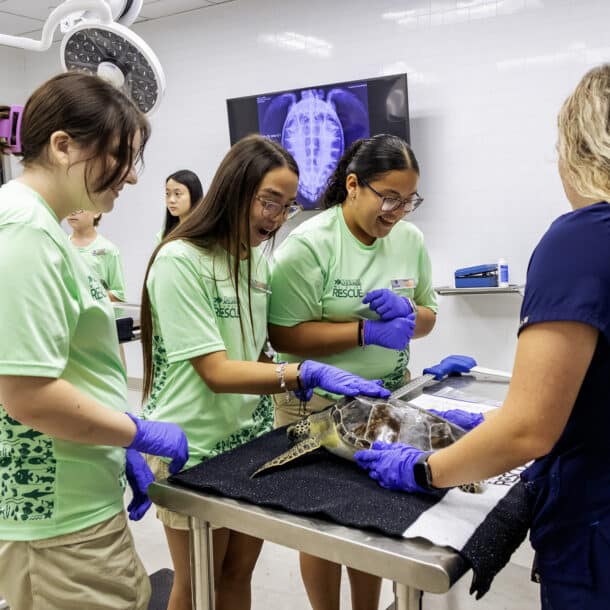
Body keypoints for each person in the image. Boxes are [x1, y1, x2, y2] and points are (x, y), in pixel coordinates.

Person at [355, 64, 610, 610]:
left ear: (577, 148)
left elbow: (529, 431)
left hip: (597, 528)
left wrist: (426, 470)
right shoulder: (312, 242)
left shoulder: (581, 241)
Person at [140, 133, 391, 610]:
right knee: (197, 588)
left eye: (287, 207)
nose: (275, 219)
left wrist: (285, 368)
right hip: (190, 445)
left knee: (237, 574)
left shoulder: (255, 258)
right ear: (233, 188)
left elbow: (252, 355)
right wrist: (299, 374)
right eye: (268, 202)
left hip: (247, 441)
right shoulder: (180, 260)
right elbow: (214, 370)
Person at [0, 72, 189, 610]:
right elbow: (27, 395)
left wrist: (115, 441)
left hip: (76, 495)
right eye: (120, 158)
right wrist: (136, 431)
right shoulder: (24, 232)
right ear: (63, 146)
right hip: (54, 516)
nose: (130, 178)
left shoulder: (44, 230)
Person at [267, 133, 438, 610]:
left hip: (387, 400)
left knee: (372, 517)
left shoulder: (409, 239)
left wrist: (408, 314)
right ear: (353, 185)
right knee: (320, 521)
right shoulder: (310, 244)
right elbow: (285, 336)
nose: (398, 211)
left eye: (408, 201)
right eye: (389, 197)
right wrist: (363, 333)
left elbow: (427, 316)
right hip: (317, 403)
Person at [67, 209, 127, 302]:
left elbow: (119, 295)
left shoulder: (108, 250)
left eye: (79, 208)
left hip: (96, 316)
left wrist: (86, 295)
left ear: (97, 212)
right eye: (69, 206)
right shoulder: (59, 246)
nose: (72, 212)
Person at [157, 168, 203, 242]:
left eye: (177, 194)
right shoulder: (162, 235)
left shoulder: (206, 233)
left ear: (193, 194)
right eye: (167, 194)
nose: (171, 200)